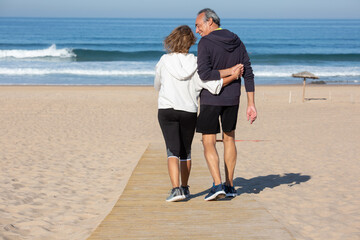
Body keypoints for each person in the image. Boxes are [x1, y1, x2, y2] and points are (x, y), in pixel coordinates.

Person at [154, 25, 243, 202]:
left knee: (172, 150)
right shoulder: (196, 62)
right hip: (188, 111)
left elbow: (157, 84)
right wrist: (232, 76)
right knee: (185, 151)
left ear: (172, 40)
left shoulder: (164, 60)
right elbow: (212, 85)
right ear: (191, 43)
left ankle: (176, 189)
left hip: (166, 110)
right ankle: (185, 188)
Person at [195, 8, 257, 201]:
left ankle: (217, 184)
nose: (197, 30)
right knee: (229, 139)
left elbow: (204, 74)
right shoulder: (236, 40)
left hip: (211, 98)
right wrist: (251, 104)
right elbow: (248, 72)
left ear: (210, 22)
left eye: (198, 25)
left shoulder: (205, 42)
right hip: (232, 99)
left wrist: (227, 71)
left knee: (208, 141)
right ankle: (230, 185)